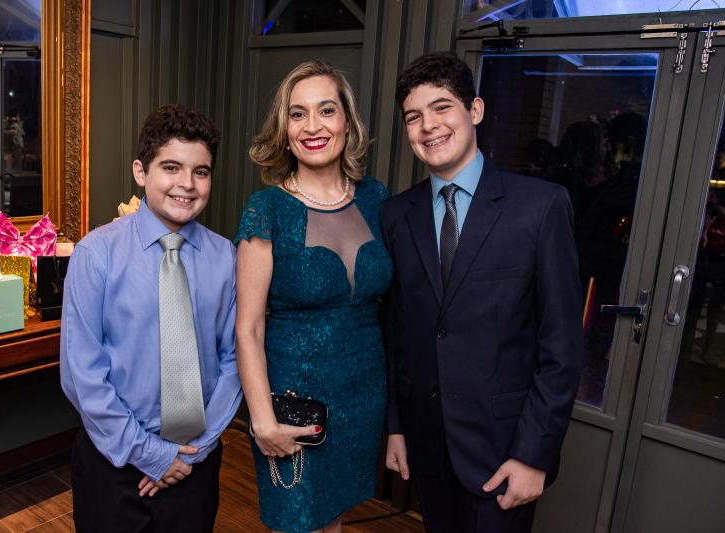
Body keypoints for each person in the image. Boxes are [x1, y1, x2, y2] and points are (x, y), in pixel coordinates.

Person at [381, 51, 583, 533]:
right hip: (427, 448)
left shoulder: (540, 207)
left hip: (504, 453)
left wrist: (533, 455)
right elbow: (397, 333)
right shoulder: (396, 215)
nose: (428, 126)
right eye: (413, 116)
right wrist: (396, 426)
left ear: (475, 110)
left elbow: (562, 347)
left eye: (442, 107)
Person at [60, 104, 242, 532]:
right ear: (141, 172)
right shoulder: (96, 254)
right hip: (114, 461)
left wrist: (192, 452)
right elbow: (81, 374)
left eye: (201, 171)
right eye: (171, 167)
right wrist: (151, 454)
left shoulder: (226, 257)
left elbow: (235, 361)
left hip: (195, 462)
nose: (187, 184)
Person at [234, 59, 392, 533]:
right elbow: (248, 327)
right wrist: (262, 419)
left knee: (333, 520)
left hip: (362, 396)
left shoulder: (376, 199)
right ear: (284, 132)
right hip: (294, 403)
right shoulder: (267, 209)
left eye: (326, 110)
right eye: (298, 114)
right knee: (298, 522)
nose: (313, 126)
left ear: (347, 121)